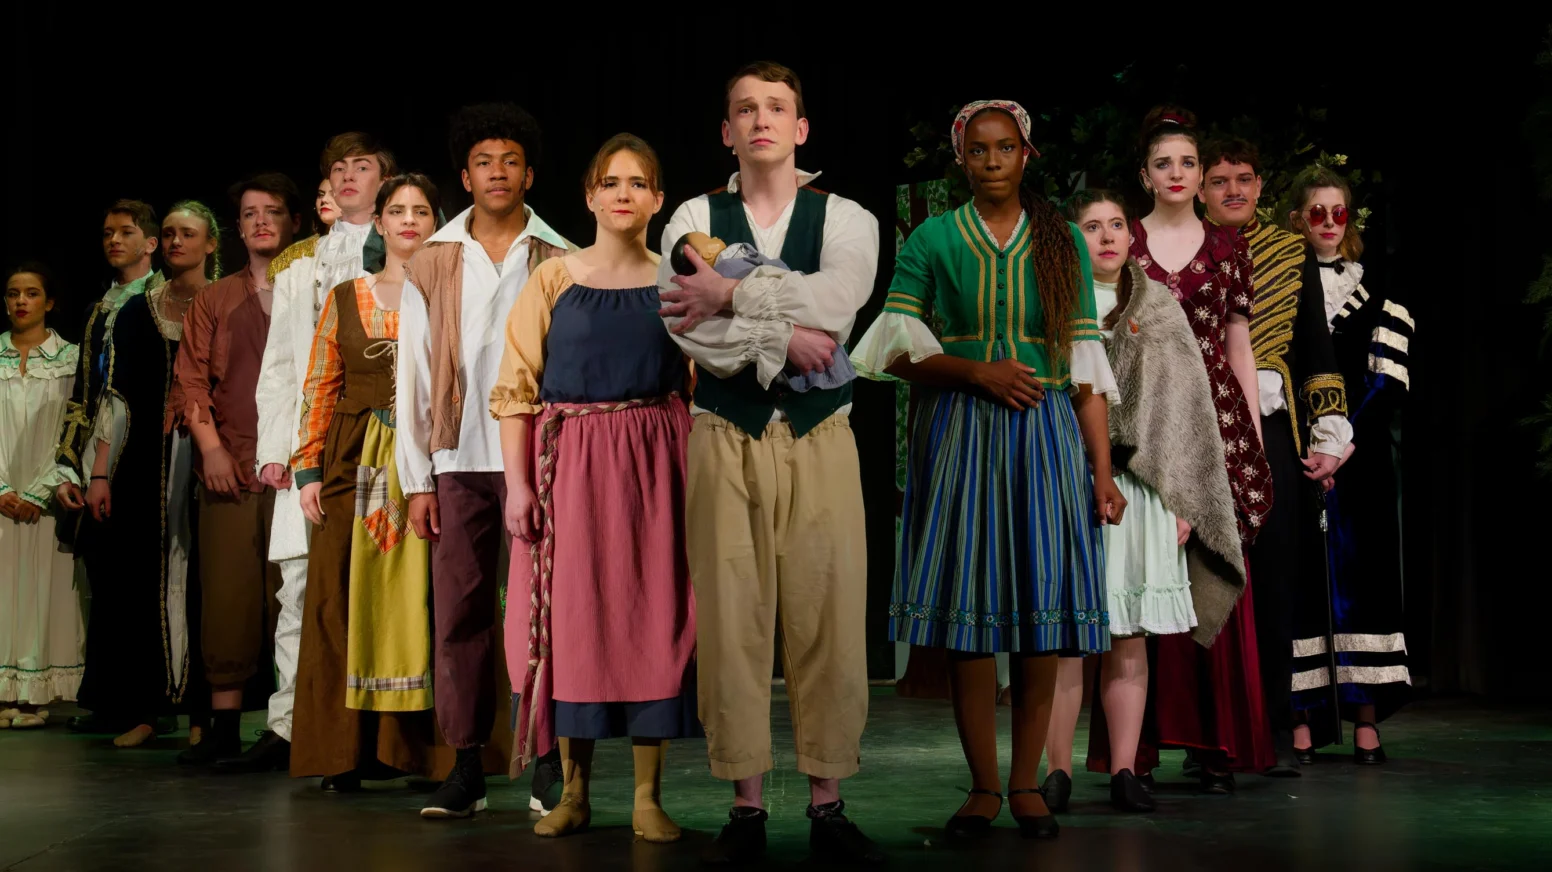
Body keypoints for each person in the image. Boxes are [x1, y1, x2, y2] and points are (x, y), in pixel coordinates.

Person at [853, 100, 1121, 839]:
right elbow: (895, 351)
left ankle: (1027, 783)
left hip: (1045, 433)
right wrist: (977, 372)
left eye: (1006, 148)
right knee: (972, 619)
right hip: (962, 431)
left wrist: (1102, 474)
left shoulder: (1063, 239)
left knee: (1037, 615)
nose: (993, 160)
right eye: (980, 150)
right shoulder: (934, 237)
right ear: (962, 158)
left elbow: (1088, 374)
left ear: (1027, 155)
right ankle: (980, 786)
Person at [656, 61, 883, 866]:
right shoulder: (691, 215)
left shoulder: (847, 215)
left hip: (822, 434)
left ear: (801, 127)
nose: (761, 120)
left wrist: (736, 296)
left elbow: (841, 301)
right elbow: (687, 327)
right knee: (733, 620)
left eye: (776, 107)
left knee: (827, 614)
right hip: (727, 433)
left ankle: (828, 801)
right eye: (745, 109)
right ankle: (746, 804)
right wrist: (785, 337)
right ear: (726, 130)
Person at [493, 134, 696, 842]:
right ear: (588, 196)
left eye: (638, 183)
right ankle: (574, 791)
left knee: (651, 620)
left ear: (657, 199)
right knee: (572, 623)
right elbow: (516, 392)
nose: (623, 194)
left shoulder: (676, 282)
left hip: (655, 466)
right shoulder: (554, 278)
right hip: (569, 466)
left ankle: (646, 795)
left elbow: (698, 381)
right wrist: (520, 488)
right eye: (610, 182)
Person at [1040, 189, 1249, 812]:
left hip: (1144, 490)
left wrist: (1186, 499)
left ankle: (1127, 769)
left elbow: (1186, 412)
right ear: (1074, 238)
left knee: (1129, 637)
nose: (1105, 237)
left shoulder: (1159, 307)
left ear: (1133, 236)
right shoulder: (1053, 304)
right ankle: (1056, 771)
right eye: (1091, 227)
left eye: (1115, 225)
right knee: (1067, 638)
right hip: (1067, 483)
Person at [398, 103, 573, 818]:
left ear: (529, 173)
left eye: (509, 161)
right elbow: (410, 371)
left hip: (540, 457)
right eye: (482, 162)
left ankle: (549, 762)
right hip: (458, 456)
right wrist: (418, 480)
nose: (496, 173)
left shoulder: (559, 256)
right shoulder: (432, 259)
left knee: (544, 613)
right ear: (463, 175)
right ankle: (467, 763)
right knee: (460, 612)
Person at [230, 133, 395, 774]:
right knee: (299, 589)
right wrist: (275, 448)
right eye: (338, 169)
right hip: (310, 445)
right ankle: (292, 724)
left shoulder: (412, 251)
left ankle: (375, 734)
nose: (348, 177)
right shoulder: (302, 262)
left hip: (377, 442)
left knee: (375, 579)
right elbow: (279, 365)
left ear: (386, 178)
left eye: (363, 166)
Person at [1124, 108, 1275, 792]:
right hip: (1147, 417)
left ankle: (1216, 744)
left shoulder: (1225, 246)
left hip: (1216, 420)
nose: (1178, 174)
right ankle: (1143, 746)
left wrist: (1254, 437)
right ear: (1146, 176)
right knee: (1146, 568)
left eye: (1188, 163)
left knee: (1210, 563)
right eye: (1165, 164)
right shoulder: (1123, 241)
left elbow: (1239, 344)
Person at [1199, 139, 1351, 774]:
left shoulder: (1291, 254)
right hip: (1201, 433)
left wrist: (1329, 438)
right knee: (1209, 584)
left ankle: (1273, 729)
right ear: (1202, 189)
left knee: (1278, 582)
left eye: (1244, 179)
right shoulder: (1186, 252)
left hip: (1275, 431)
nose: (1234, 190)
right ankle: (1210, 736)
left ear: (1261, 187)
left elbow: (1316, 349)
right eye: (1220, 180)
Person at [287, 173, 442, 790]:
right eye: (396, 210)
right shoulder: (348, 296)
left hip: (428, 459)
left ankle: (423, 754)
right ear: (378, 223)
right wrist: (307, 470)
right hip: (354, 460)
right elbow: (321, 382)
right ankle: (344, 752)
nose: (408, 220)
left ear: (436, 223)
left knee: (423, 600)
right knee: (341, 595)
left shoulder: (449, 293)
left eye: (421, 211)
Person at [56, 201, 221, 749]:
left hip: (217, 451)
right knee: (139, 579)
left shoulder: (231, 301)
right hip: (144, 461)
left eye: (186, 234)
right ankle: (147, 706)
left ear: (210, 242)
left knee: (208, 579)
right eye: (168, 233)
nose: (175, 242)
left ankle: (206, 713)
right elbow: (114, 400)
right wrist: (99, 472)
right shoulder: (134, 311)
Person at [173, 174, 302, 767]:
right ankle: (224, 725)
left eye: (272, 212)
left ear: (295, 223)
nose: (260, 222)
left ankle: (293, 726)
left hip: (299, 466)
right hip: (231, 463)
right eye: (249, 213)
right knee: (228, 596)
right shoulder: (215, 299)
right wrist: (211, 449)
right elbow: (191, 379)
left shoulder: (312, 288)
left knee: (294, 600)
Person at [1284, 166, 1412, 763]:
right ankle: (1301, 720)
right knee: (1302, 583)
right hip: (1295, 454)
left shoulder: (1379, 289)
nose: (1330, 223)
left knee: (1365, 584)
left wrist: (1343, 444)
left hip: (1358, 462)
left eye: (1340, 213)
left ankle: (1366, 718)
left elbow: (1387, 380)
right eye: (1318, 213)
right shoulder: (1282, 288)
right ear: (1297, 220)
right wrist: (1308, 447)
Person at [0, 264, 84, 729]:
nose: (21, 302)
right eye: (13, 294)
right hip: (2, 495)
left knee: (42, 592)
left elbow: (75, 429)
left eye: (32, 293)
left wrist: (41, 488)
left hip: (48, 496)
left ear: (49, 302)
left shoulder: (70, 358)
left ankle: (35, 696)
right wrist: (2, 490)